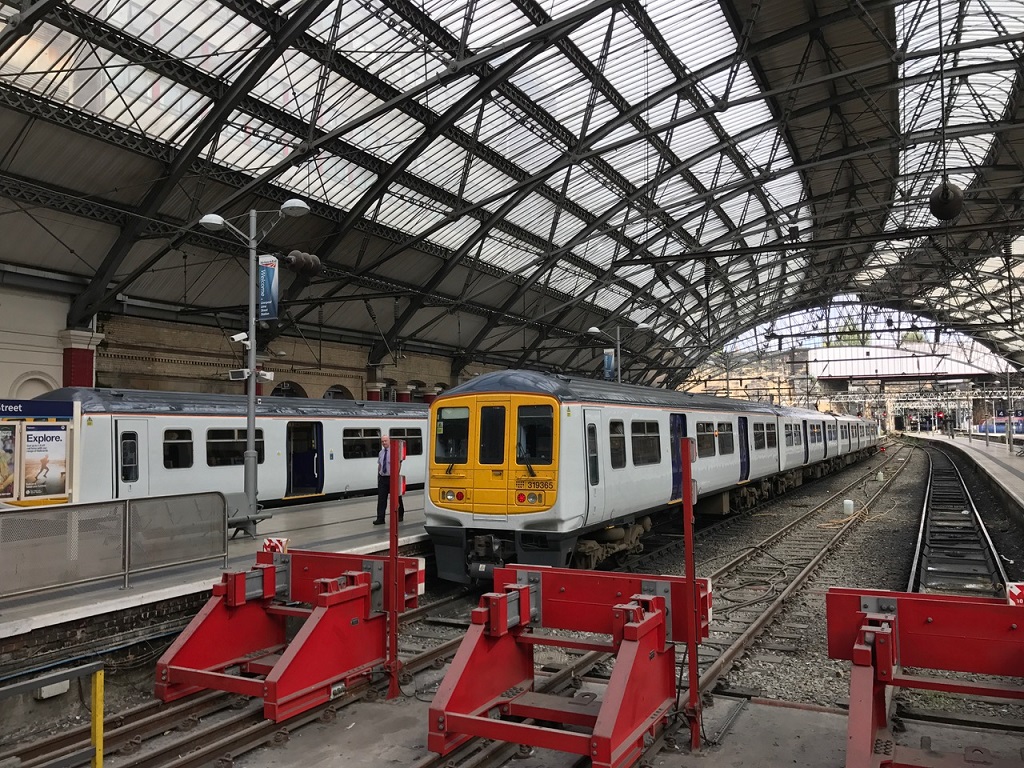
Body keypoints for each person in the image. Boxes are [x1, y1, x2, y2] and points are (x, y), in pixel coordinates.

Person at [374, 435, 405, 525]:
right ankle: (380, 518)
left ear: (389, 441)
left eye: (385, 441)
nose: (384, 443)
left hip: (392, 477)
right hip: (383, 478)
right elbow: (379, 465)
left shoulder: (394, 451)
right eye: (382, 441)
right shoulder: (381, 453)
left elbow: (399, 464)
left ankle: (400, 515)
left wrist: (396, 475)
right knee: (381, 499)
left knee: (397, 497)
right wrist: (378, 476)